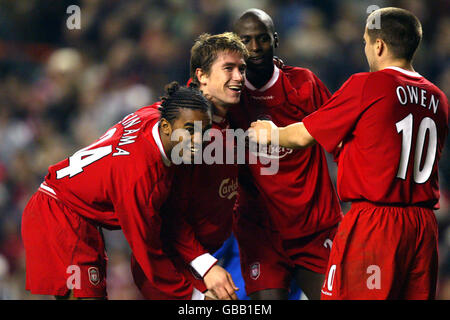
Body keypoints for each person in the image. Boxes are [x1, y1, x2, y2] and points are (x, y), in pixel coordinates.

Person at [249, 7, 448, 300]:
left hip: (377, 224)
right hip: (423, 228)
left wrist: (269, 132)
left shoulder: (369, 85)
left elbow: (304, 136)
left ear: (378, 45)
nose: (366, 49)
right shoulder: (438, 98)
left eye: (366, 42)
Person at [21, 82, 213, 299]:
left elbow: (174, 104)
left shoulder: (152, 115)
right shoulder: (141, 176)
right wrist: (196, 296)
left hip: (76, 213)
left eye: (203, 131)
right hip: (59, 214)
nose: (199, 140)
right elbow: (147, 252)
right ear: (167, 127)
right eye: (190, 131)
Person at [227, 8, 343, 300]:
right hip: (261, 233)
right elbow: (189, 104)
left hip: (315, 228)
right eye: (246, 40)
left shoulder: (305, 84)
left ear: (275, 40)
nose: (254, 47)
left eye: (262, 39)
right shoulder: (227, 94)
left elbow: (340, 139)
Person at [131, 32, 248, 300]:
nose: (239, 77)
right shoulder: (187, 131)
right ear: (202, 76)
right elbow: (168, 213)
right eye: (228, 69)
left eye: (242, 69)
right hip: (174, 262)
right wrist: (205, 266)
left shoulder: (228, 116)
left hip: (206, 254)